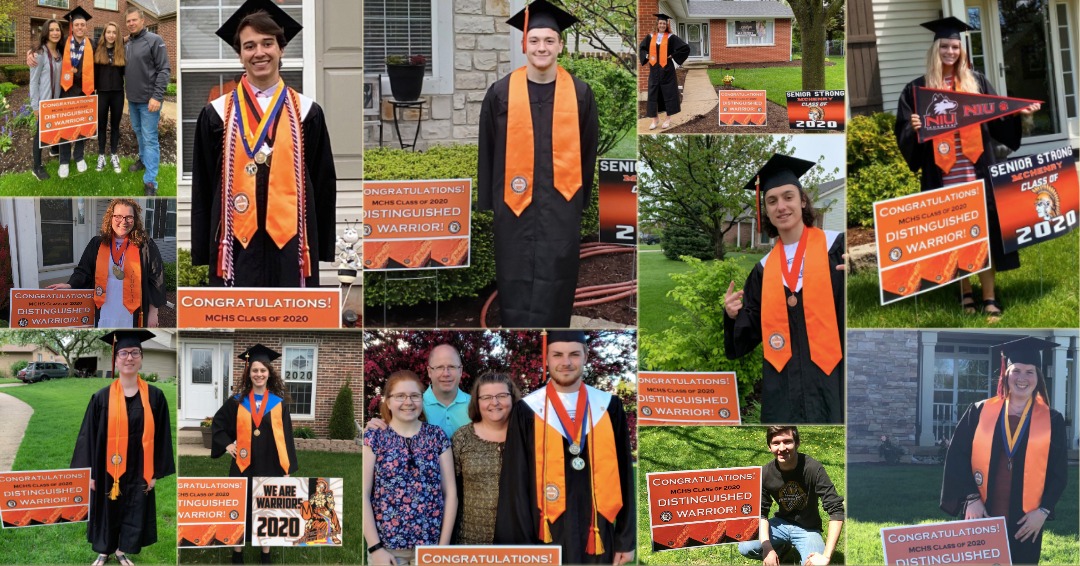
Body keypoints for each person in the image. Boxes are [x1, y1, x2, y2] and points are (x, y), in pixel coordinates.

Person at [894, 17, 1041, 319]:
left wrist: (1018, 112)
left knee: (984, 233)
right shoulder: (917, 90)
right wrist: (914, 128)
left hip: (977, 170)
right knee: (957, 236)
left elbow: (997, 114)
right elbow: (905, 134)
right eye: (945, 46)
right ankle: (966, 294)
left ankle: (989, 296)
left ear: (962, 50)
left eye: (955, 46)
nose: (950, 52)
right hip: (943, 174)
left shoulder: (976, 82)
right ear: (935, 49)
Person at [191, 0, 337, 288]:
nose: (259, 52)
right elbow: (204, 186)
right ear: (240, 55)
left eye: (267, 43)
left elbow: (322, 183)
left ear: (281, 49)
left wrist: (320, 245)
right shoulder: (216, 114)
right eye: (249, 46)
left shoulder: (308, 113)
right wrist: (203, 247)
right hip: (236, 243)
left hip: (292, 244)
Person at [477, 0, 599, 328]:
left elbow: (589, 151)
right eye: (534, 40)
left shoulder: (580, 94)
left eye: (548, 40)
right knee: (513, 271)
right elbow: (487, 149)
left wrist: (579, 200)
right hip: (513, 207)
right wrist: (490, 202)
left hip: (562, 205)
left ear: (560, 45)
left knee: (559, 275)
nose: (541, 47)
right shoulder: (500, 93)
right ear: (523, 44)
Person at [723, 154, 845, 424]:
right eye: (772, 200)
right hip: (784, 385)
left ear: (802, 200)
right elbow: (751, 329)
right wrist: (733, 316)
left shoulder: (837, 248)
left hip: (833, 377)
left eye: (788, 197)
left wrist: (856, 274)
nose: (781, 206)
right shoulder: (763, 270)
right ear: (765, 209)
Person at [495, 331, 635, 565]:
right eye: (557, 354)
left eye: (574, 354)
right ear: (547, 359)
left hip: (597, 533)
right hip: (545, 534)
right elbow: (515, 484)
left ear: (586, 356)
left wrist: (625, 539)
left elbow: (624, 475)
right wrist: (521, 547)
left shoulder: (608, 407)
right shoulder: (527, 410)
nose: (566, 362)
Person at [940, 336, 1067, 564]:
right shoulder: (979, 412)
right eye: (1016, 370)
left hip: (1026, 521)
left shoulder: (1051, 420)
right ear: (1006, 373)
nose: (1022, 378)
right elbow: (957, 458)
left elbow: (1058, 473)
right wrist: (971, 498)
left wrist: (1043, 512)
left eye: (1030, 372)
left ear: (1038, 378)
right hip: (983, 511)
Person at [72, 329, 175, 566]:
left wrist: (155, 474)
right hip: (107, 468)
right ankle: (104, 551)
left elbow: (161, 438)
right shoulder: (101, 398)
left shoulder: (155, 397)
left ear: (141, 358)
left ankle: (121, 550)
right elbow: (87, 436)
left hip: (140, 467)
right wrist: (89, 474)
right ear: (116, 358)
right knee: (108, 508)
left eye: (135, 353)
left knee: (132, 508)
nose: (129, 358)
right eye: (124, 353)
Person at [211, 344, 299, 564]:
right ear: (248, 373)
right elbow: (218, 425)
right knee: (240, 507)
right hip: (243, 465)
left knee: (266, 507)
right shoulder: (237, 402)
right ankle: (237, 551)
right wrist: (227, 445)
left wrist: (286, 468)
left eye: (263, 370)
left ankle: (265, 552)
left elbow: (286, 437)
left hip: (271, 464)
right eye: (255, 370)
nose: (259, 374)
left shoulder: (279, 404)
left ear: (269, 373)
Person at [363, 370, 457, 566]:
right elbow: (362, 494)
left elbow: (450, 494)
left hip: (430, 548)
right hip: (387, 549)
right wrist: (375, 548)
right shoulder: (374, 438)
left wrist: (442, 549)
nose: (408, 402)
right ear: (388, 402)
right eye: (400, 396)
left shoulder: (437, 437)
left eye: (415, 396)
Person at [48, 198, 166, 328]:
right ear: (110, 217)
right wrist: (70, 285)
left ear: (135, 220)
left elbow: (156, 279)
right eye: (118, 216)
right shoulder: (97, 244)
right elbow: (83, 271)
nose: (123, 222)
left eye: (129, 217)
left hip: (133, 309)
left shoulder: (145, 246)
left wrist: (153, 313)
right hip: (104, 305)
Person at [738, 426, 845, 566]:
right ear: (769, 447)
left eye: (787, 442)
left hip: (808, 528)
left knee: (816, 564)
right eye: (776, 443)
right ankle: (780, 550)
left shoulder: (813, 468)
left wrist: (826, 556)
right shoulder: (765, 473)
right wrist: (768, 548)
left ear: (797, 443)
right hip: (780, 523)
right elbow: (761, 513)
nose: (782, 448)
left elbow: (836, 509)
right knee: (745, 547)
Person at [452, 372, 521, 545]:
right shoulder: (462, 437)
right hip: (471, 540)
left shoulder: (528, 436)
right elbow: (449, 490)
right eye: (487, 397)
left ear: (512, 398)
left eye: (502, 396)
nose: (494, 402)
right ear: (477, 401)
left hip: (519, 539)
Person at [124, 7, 171, 195]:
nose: (131, 23)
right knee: (139, 132)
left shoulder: (154, 40)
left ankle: (151, 181)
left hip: (149, 101)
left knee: (150, 138)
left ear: (142, 21)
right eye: (128, 21)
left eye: (134, 20)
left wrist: (157, 96)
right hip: (133, 100)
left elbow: (164, 70)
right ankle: (143, 160)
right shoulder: (128, 43)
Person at [57, 6, 94, 179]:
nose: (80, 27)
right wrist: (32, 52)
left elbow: (112, 45)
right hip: (67, 90)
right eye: (77, 24)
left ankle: (78, 156)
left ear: (86, 27)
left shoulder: (92, 44)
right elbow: (46, 46)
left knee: (81, 127)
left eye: (82, 25)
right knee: (65, 127)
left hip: (85, 92)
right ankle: (64, 161)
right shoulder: (64, 42)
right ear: (73, 26)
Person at [638, 13, 689, 130]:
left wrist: (673, 55)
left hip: (667, 70)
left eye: (664, 23)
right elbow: (642, 48)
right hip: (654, 69)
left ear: (666, 25)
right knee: (653, 94)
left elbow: (685, 48)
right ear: (657, 24)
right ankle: (654, 119)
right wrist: (647, 55)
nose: (662, 25)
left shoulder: (671, 37)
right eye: (660, 23)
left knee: (668, 93)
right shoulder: (650, 37)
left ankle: (667, 119)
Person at [29, 18, 62, 181]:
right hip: (44, 102)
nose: (55, 33)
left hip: (57, 101)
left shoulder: (59, 53)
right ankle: (36, 167)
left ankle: (54, 149)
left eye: (58, 30)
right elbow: (33, 81)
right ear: (46, 33)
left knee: (54, 128)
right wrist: (35, 106)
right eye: (52, 30)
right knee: (40, 134)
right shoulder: (39, 54)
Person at [93, 21, 125, 174]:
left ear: (117, 35)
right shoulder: (97, 49)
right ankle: (101, 155)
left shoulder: (122, 50)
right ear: (104, 33)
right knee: (101, 125)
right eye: (108, 32)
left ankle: (113, 154)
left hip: (118, 93)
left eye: (114, 32)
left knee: (115, 126)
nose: (111, 35)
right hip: (102, 93)